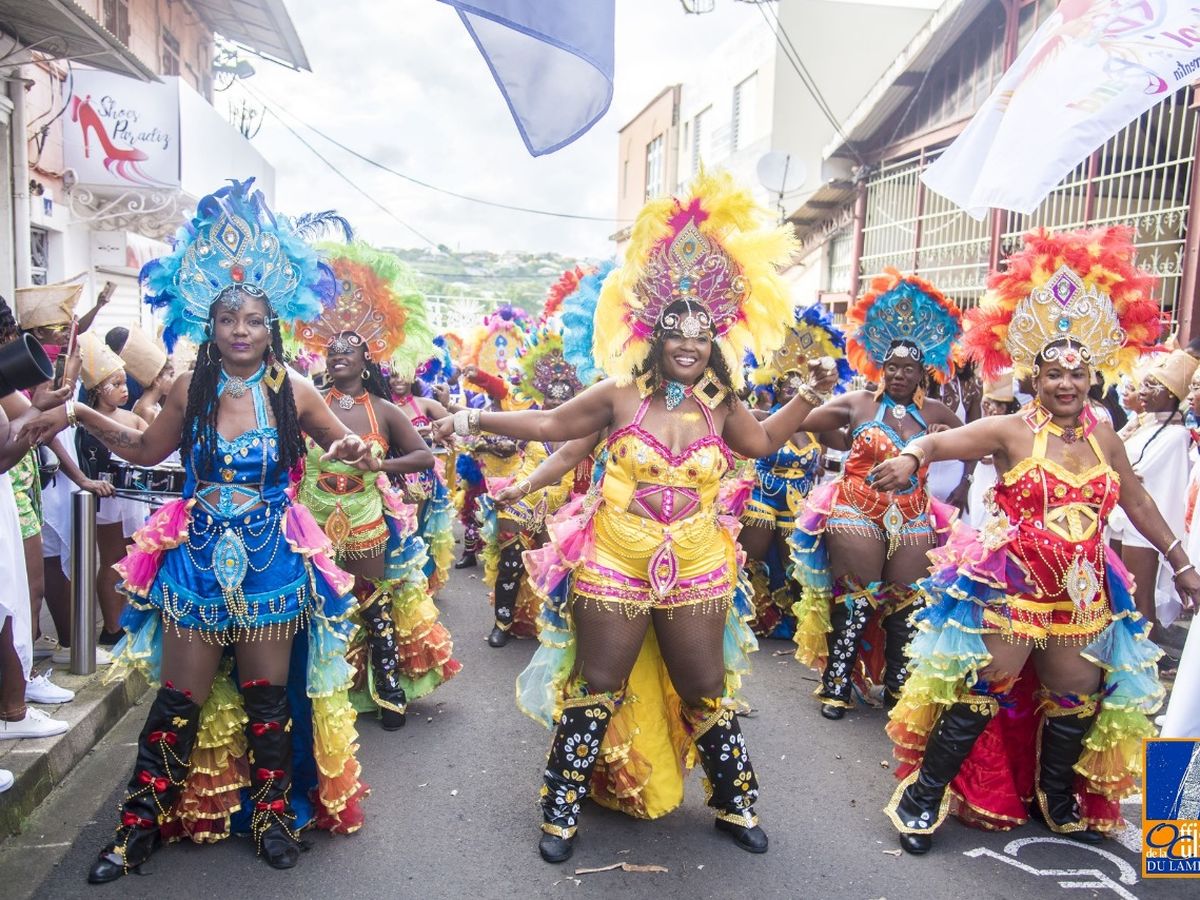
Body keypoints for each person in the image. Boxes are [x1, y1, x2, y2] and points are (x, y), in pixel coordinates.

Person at [435, 172, 838, 862]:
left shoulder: (723, 403)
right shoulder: (620, 394)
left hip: (699, 561)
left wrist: (804, 397)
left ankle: (734, 801)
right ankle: (560, 809)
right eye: (675, 333)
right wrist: (470, 417)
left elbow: (764, 443)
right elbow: (552, 423)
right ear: (653, 333)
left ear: (716, 339)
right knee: (597, 683)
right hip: (614, 555)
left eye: (701, 334)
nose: (688, 344)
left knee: (705, 687)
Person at [24, 180, 374, 881]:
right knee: (178, 700)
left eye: (252, 320)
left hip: (274, 560)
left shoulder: (294, 390)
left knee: (266, 701)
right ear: (208, 326)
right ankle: (134, 832)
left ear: (272, 324)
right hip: (198, 556)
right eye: (226, 320)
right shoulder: (190, 388)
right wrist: (80, 417)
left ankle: (274, 819)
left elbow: (340, 440)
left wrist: (352, 449)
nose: (240, 330)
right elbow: (145, 452)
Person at [869, 226, 1197, 854]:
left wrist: (1180, 560)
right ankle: (922, 797)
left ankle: (1057, 797)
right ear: (1035, 377)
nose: (1066, 385)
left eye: (1077, 374)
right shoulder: (1013, 430)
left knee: (1074, 700)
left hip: (1084, 591)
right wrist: (912, 457)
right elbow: (938, 442)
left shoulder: (1106, 437)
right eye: (1053, 375)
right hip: (1016, 584)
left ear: (1092, 377)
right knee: (983, 691)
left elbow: (1136, 500)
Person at [293, 241, 460, 729]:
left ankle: (388, 689)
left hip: (365, 516)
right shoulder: (307, 401)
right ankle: (324, 690)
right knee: (316, 601)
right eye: (333, 350)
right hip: (313, 517)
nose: (339, 355)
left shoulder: (383, 411)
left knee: (371, 599)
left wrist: (379, 469)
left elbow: (424, 456)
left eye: (350, 351)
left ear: (366, 361)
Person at [788, 271, 965, 719]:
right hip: (856, 509)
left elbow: (978, 447)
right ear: (880, 367)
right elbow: (797, 421)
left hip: (912, 515)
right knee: (855, 598)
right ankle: (837, 684)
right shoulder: (858, 403)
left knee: (906, 603)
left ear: (924, 371)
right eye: (893, 367)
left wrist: (946, 437)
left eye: (910, 368)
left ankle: (896, 688)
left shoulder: (939, 412)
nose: (900, 375)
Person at [480, 275, 589, 647]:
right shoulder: (527, 414)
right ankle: (503, 623)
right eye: (551, 401)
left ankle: (554, 626)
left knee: (560, 562)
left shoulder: (588, 421)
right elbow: (501, 429)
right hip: (525, 491)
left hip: (568, 501)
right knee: (510, 552)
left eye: (565, 401)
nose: (557, 408)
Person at [741, 303, 850, 639]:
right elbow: (741, 436)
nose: (794, 391)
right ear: (776, 387)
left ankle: (788, 617)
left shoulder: (818, 423)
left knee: (795, 566)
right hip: (761, 495)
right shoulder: (763, 416)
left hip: (799, 502)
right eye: (787, 386)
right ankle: (749, 614)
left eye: (800, 384)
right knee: (750, 560)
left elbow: (846, 442)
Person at [1107, 349, 1197, 634]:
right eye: (1143, 384)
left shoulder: (1176, 435)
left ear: (1170, 393)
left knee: (1139, 595)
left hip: (1144, 526)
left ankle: (1143, 656)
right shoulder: (1142, 427)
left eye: (1151, 386)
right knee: (1118, 592)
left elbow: (1141, 476)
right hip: (1122, 521)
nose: (1142, 391)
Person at [75, 332, 150, 647]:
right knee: (110, 559)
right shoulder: (85, 422)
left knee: (134, 557)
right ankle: (111, 624)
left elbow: (155, 449)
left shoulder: (133, 417)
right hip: (106, 498)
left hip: (134, 499)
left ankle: (129, 618)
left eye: (124, 383)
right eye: (115, 384)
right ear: (96, 389)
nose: (123, 390)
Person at [964, 374, 1019, 528]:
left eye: (992, 404)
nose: (988, 408)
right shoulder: (982, 421)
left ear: (1004, 407)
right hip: (981, 476)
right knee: (978, 521)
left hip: (1002, 477)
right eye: (985, 404)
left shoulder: (1015, 426)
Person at [117, 325, 176, 425]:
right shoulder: (146, 410)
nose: (173, 380)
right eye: (170, 375)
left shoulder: (152, 405)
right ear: (157, 379)